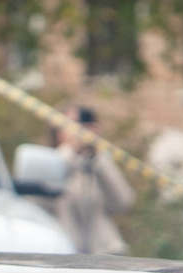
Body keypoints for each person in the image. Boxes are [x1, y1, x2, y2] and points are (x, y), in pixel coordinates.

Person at [51, 107, 135, 255]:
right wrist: (72, 152)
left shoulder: (98, 163)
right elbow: (42, 202)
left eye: (84, 126)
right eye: (73, 124)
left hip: (104, 254)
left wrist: (98, 158)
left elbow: (123, 203)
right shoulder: (52, 162)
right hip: (64, 255)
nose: (79, 131)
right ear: (58, 130)